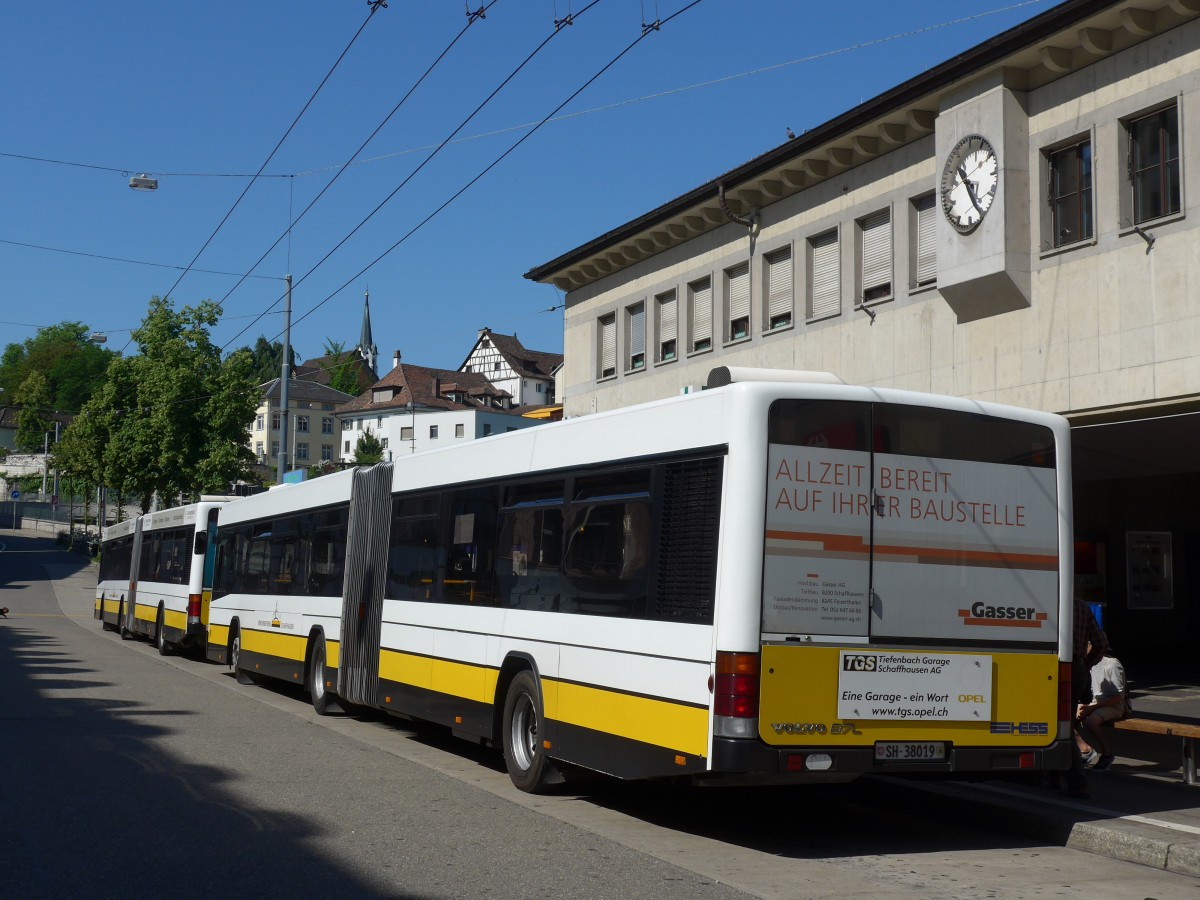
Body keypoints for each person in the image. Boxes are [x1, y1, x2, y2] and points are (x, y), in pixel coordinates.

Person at [1062, 597, 1108, 798]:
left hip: (1057, 669)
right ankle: (1057, 777)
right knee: (1066, 723)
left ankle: (1077, 783)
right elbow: (1101, 642)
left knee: (1063, 728)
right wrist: (1086, 664)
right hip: (1078, 669)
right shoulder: (1082, 606)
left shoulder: (1048, 601)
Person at [1075, 644, 1126, 771]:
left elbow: (1118, 698)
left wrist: (1091, 708)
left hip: (1114, 705)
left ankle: (1107, 754)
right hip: (1096, 703)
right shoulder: (1088, 665)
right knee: (1066, 716)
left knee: (1092, 721)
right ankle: (1085, 750)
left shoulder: (1112, 664)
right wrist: (1083, 706)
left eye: (1086, 644)